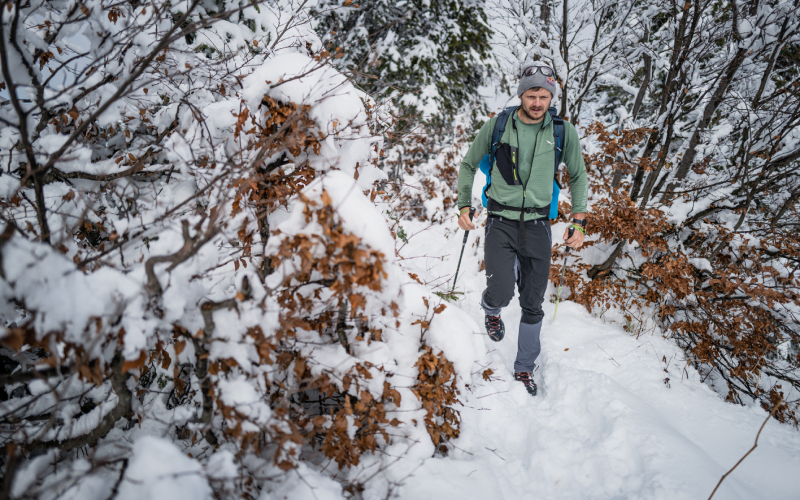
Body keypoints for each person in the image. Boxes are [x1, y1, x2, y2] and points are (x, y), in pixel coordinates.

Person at [456, 61, 588, 396]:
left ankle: (524, 367)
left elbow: (578, 174)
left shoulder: (562, 132)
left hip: (539, 224)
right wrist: (463, 204)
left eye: (544, 95)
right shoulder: (499, 126)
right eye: (532, 94)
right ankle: (491, 311)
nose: (538, 102)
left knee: (533, 302)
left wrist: (579, 219)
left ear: (550, 97)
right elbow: (469, 163)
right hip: (500, 222)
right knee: (500, 291)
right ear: (522, 94)